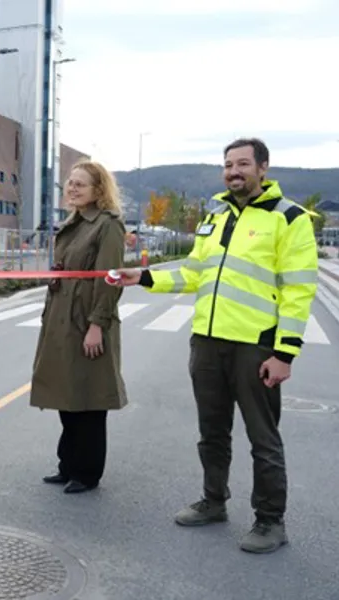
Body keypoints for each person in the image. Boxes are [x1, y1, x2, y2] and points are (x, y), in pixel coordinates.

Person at [114, 137, 319, 554]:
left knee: (263, 438)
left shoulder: (289, 218)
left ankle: (270, 521)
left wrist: (284, 353)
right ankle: (213, 500)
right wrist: (145, 278)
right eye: (228, 165)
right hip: (206, 342)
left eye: (243, 164)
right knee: (212, 432)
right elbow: (195, 274)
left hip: (255, 346)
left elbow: (299, 291)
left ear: (263, 168)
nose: (233, 171)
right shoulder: (217, 214)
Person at [30, 161, 129, 494]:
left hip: (86, 319)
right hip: (61, 319)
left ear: (98, 190)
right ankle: (67, 464)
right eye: (70, 183)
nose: (72, 189)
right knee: (66, 395)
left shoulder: (107, 225)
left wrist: (97, 325)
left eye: (80, 185)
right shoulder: (73, 223)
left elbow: (109, 279)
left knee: (89, 399)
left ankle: (87, 473)